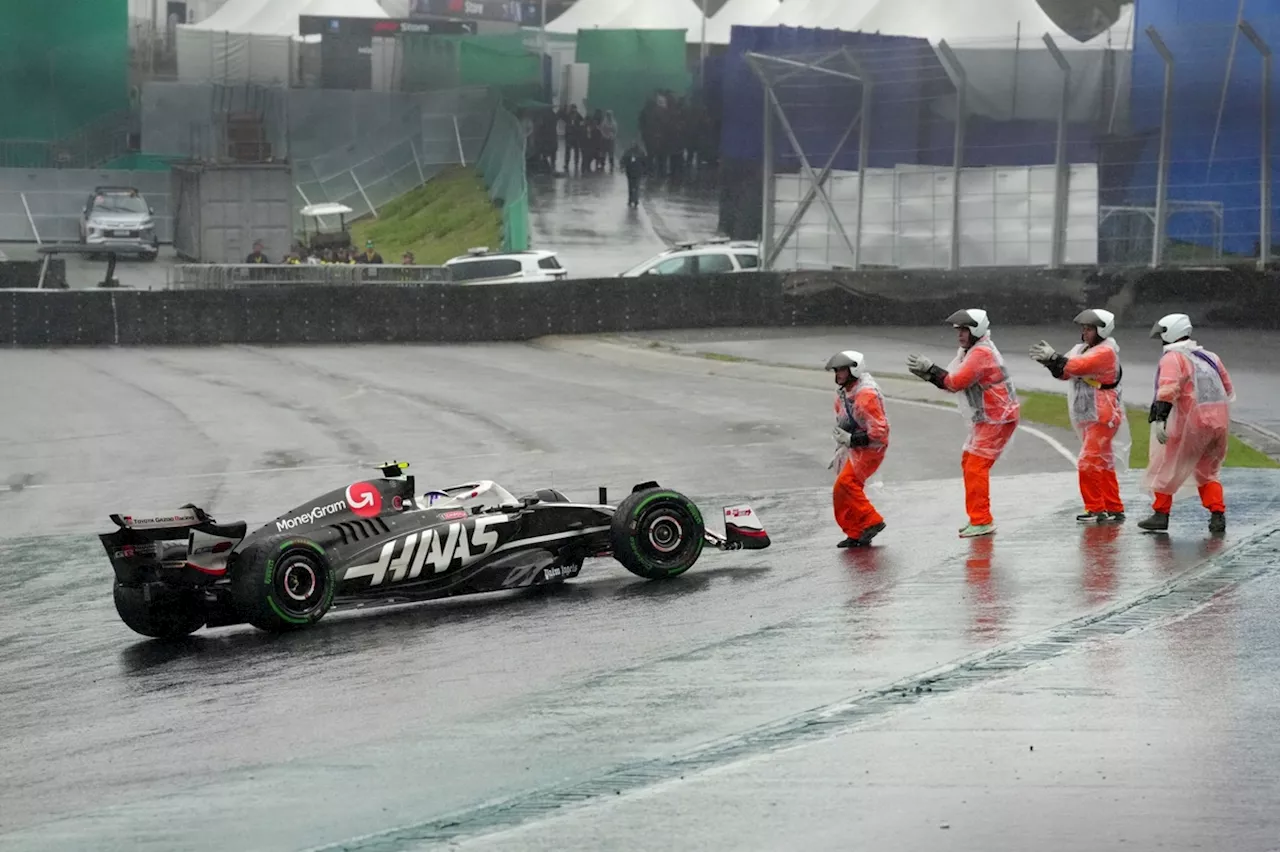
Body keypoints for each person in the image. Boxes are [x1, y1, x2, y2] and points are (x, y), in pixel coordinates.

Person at [906, 309, 1020, 538]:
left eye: (964, 330)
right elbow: (951, 380)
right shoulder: (971, 350)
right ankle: (978, 518)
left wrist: (930, 370)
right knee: (969, 461)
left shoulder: (981, 353)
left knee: (975, 466)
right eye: (958, 330)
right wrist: (929, 375)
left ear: (976, 330)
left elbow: (956, 381)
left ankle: (982, 520)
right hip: (988, 416)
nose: (959, 334)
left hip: (997, 417)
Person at [1029, 309, 1130, 524]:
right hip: (1088, 414)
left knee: (1087, 462)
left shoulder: (1106, 352)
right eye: (1083, 328)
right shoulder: (1082, 348)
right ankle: (1113, 506)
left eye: (1089, 328)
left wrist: (1054, 358)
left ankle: (1095, 508)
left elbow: (1077, 365)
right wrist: (1051, 364)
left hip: (1102, 415)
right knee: (1102, 463)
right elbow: (1066, 373)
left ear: (1102, 330)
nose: (1084, 332)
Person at [1138, 313, 1234, 534]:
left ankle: (1160, 514)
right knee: (1207, 471)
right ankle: (1217, 514)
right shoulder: (1209, 357)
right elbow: (1227, 389)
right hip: (1218, 423)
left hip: (1190, 423)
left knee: (1165, 464)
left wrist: (1161, 418)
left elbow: (1168, 389)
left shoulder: (1173, 358)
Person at [825, 350, 890, 548]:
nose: (838, 375)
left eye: (842, 370)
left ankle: (871, 521)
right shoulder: (846, 393)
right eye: (836, 371)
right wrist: (842, 446)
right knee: (841, 489)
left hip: (871, 448)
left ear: (854, 370)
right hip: (855, 448)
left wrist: (853, 440)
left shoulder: (866, 395)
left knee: (846, 483)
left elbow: (880, 432)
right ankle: (855, 531)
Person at [621, 142, 646, 208]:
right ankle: (635, 200)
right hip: (638, 172)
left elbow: (623, 160)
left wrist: (622, 167)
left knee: (631, 186)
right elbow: (645, 162)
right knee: (636, 186)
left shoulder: (628, 152)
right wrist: (644, 171)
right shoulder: (641, 152)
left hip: (630, 172)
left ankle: (630, 200)